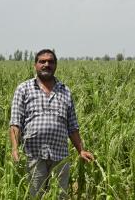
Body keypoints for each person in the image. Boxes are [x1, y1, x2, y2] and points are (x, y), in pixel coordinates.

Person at [9, 49, 94, 198]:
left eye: (50, 61)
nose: (46, 64)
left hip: (60, 156)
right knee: (36, 195)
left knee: (60, 195)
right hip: (34, 155)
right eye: (42, 61)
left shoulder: (65, 91)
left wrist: (81, 150)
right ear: (35, 65)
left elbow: (72, 126)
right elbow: (16, 123)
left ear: (56, 65)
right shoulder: (24, 89)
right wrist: (15, 148)